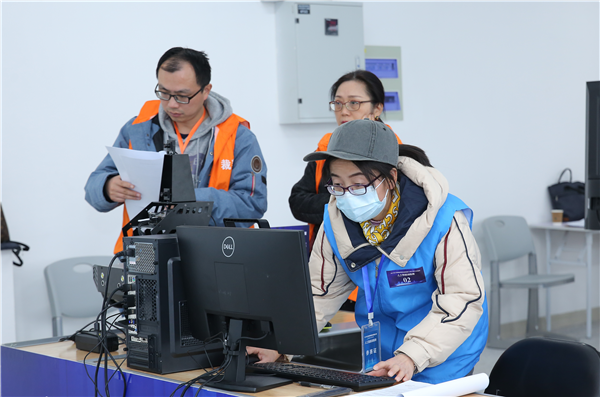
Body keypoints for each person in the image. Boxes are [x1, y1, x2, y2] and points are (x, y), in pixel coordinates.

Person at [250, 119, 488, 385]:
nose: (347, 196)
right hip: (382, 359)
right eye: (337, 185)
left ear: (391, 178)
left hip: (443, 354)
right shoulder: (336, 220)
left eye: (358, 184)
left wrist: (412, 355)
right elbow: (318, 294)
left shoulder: (443, 219)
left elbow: (462, 298)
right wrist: (281, 343)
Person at [85, 48, 268, 253]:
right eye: (164, 93)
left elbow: (252, 204)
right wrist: (107, 188)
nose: (171, 104)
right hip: (145, 256)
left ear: (206, 90)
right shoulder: (138, 128)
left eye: (182, 96)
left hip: (213, 255)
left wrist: (190, 201)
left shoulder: (238, 136)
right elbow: (93, 186)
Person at [288, 70, 402, 253]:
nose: (344, 111)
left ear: (377, 108)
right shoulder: (325, 149)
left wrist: (342, 198)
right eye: (338, 103)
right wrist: (346, 200)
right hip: (329, 252)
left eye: (354, 103)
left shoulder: (394, 152)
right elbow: (298, 202)